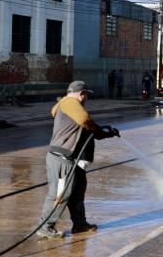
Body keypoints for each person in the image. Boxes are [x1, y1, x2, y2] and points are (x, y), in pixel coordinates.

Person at [37, 80, 120, 239]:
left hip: (73, 160)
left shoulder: (70, 105)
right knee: (59, 193)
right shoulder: (69, 102)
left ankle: (80, 224)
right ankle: (45, 226)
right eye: (86, 94)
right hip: (62, 159)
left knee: (77, 192)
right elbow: (84, 120)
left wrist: (105, 133)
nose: (86, 97)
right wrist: (98, 129)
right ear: (82, 94)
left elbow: (89, 129)